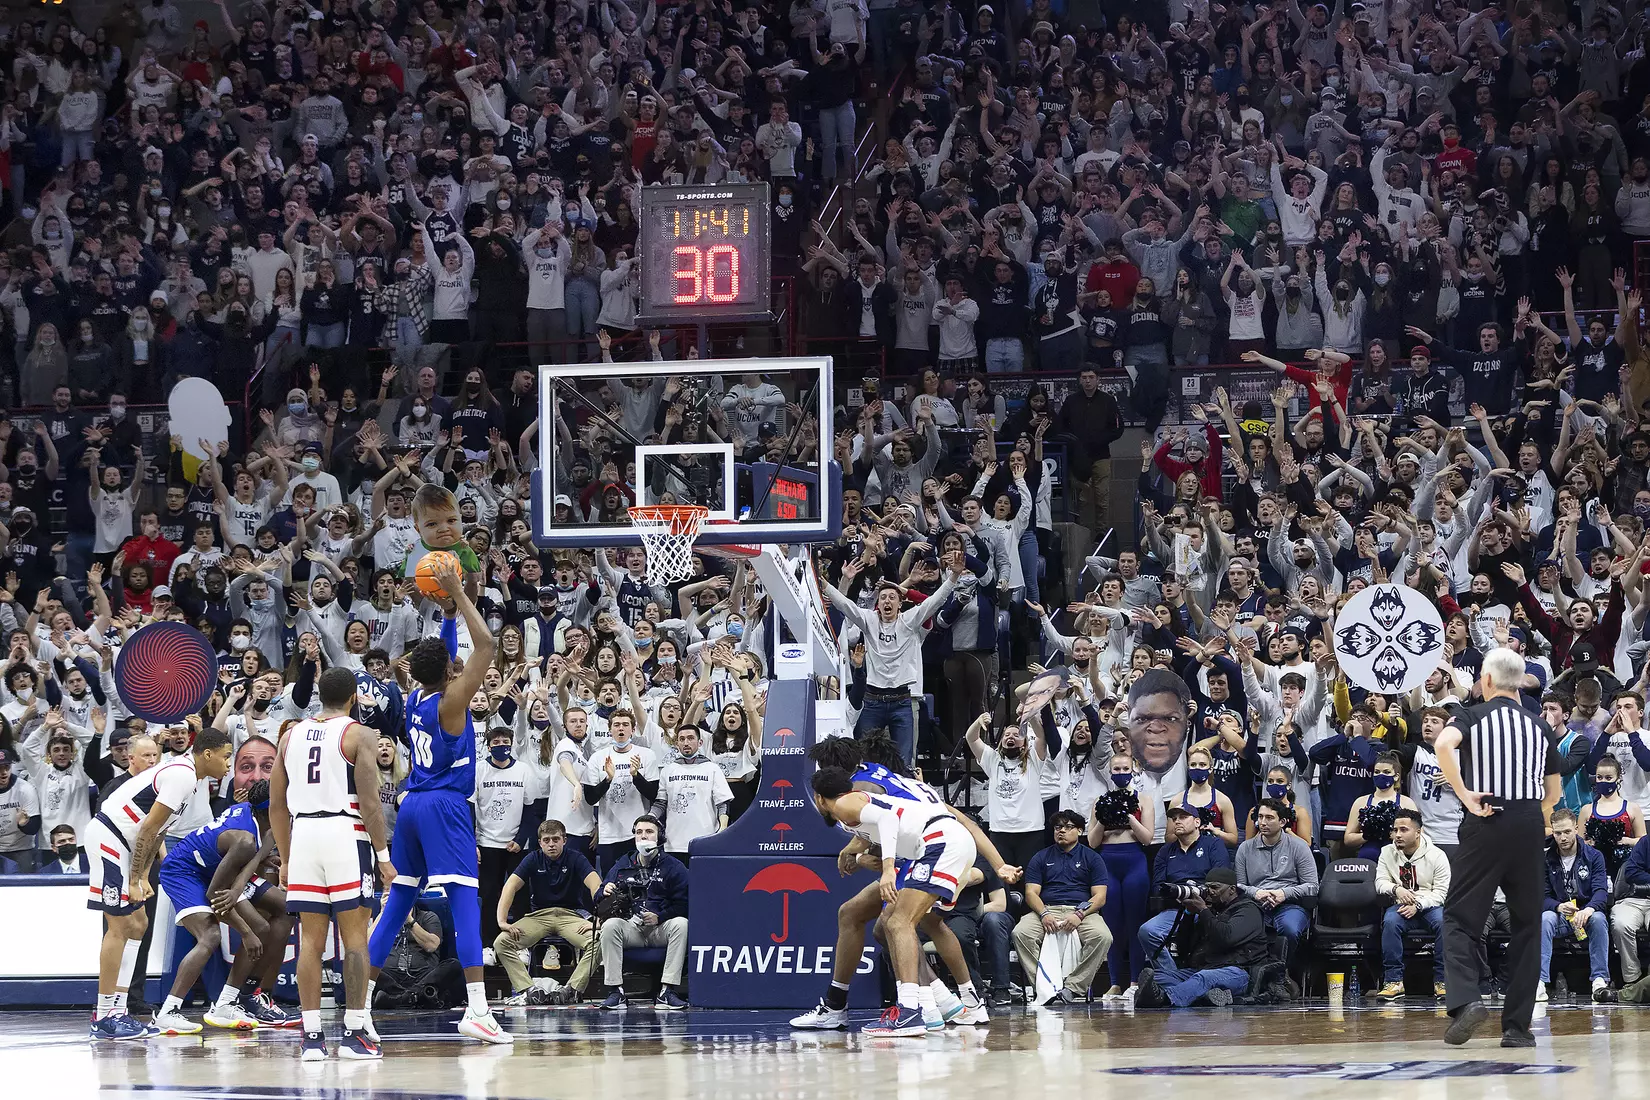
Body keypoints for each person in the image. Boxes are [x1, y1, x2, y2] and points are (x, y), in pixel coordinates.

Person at [364, 557, 512, 1045]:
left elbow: (445, 657)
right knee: (467, 903)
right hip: (445, 804)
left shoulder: (414, 697)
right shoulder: (451, 702)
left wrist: (447, 614)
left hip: (410, 807)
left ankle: (360, 1008)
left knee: (396, 904)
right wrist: (464, 595)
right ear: (451, 671)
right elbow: (487, 646)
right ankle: (477, 1009)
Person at [1437, 648, 1564, 1049]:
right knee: (1527, 925)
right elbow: (1554, 793)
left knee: (1460, 918)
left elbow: (1443, 744)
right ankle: (1517, 1029)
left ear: (1487, 681)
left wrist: (1466, 795)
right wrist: (1527, 814)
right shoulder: (1540, 726)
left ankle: (1467, 1000)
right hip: (1529, 825)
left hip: (1486, 818)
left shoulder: (1473, 714)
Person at [269, 667, 396, 1061]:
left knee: (311, 940)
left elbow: (276, 805)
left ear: (318, 696)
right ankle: (356, 1032)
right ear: (354, 697)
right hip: (345, 832)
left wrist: (287, 858)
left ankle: (311, 1039)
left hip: (304, 833)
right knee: (355, 939)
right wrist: (383, 856)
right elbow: (371, 801)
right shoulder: (359, 733)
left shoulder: (289, 736)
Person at [809, 764, 980, 1035]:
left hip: (938, 842)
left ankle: (913, 1011)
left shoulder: (844, 803)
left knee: (899, 922)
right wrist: (855, 855)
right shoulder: (862, 802)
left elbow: (887, 820)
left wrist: (888, 869)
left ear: (819, 797)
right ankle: (940, 1004)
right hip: (945, 843)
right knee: (899, 924)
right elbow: (881, 830)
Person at [86, 729, 234, 1041]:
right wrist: (136, 878)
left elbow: (159, 831)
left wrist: (140, 876)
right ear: (207, 754)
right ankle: (103, 1015)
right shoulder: (181, 774)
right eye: (226, 756)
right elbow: (148, 828)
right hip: (110, 838)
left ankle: (119, 1008)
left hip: (126, 842)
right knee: (119, 925)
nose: (228, 764)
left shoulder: (189, 779)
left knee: (139, 924)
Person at [153, 781, 297, 1033]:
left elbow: (248, 859)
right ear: (270, 810)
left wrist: (263, 855)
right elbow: (215, 895)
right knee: (212, 935)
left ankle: (246, 997)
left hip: (217, 869)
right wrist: (245, 932)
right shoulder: (245, 839)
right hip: (186, 872)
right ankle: (169, 1011)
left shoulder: (254, 818)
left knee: (287, 908)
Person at [494, 819, 603, 1006]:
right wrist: (502, 921)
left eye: (555, 839)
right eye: (546, 840)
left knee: (600, 940)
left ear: (564, 840)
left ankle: (572, 990)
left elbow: (596, 886)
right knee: (501, 943)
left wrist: (599, 919)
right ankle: (529, 990)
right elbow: (510, 886)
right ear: (540, 842)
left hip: (570, 915)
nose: (551, 844)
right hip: (539, 916)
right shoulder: (532, 858)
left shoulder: (576, 858)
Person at [1011, 809, 1113, 1004]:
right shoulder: (1041, 857)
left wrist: (1080, 914)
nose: (1061, 831)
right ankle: (1045, 988)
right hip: (1047, 907)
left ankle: (1073, 987)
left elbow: (1100, 897)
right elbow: (1031, 893)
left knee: (1102, 936)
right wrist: (1043, 913)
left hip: (1082, 910)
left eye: (1068, 827)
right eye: (1058, 827)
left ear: (1080, 831)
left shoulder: (1092, 857)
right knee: (1021, 933)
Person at [1134, 867, 1269, 1008]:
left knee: (1203, 978)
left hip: (1238, 972)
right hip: (1206, 968)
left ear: (1232, 889)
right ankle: (1205, 996)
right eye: (1207, 887)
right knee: (1159, 976)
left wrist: (1203, 910)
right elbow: (1183, 947)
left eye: (1215, 888)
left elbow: (1226, 938)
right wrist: (1189, 914)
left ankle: (1165, 999)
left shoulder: (1248, 910)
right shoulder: (1213, 910)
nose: (1210, 892)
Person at [596, 815, 690, 1011]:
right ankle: (616, 991)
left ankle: (667, 991)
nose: (643, 837)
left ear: (659, 837)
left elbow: (686, 903)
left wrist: (661, 916)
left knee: (682, 924)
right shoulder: (624, 862)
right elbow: (599, 895)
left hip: (660, 928)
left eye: (649, 832)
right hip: (632, 927)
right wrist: (604, 890)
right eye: (639, 832)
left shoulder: (673, 866)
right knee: (610, 926)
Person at [1374, 808, 1452, 1001]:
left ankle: (1443, 981)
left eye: (1403, 830)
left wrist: (1418, 904)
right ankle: (1394, 981)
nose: (1397, 835)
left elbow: (1442, 893)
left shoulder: (1437, 855)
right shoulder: (1386, 852)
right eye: (1395, 830)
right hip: (1401, 904)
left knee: (1445, 923)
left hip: (1430, 905)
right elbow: (1380, 882)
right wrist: (1395, 889)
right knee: (1390, 922)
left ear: (1418, 832)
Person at [1538, 808, 1612, 1003]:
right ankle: (1540, 982)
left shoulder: (1593, 856)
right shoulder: (1545, 858)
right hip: (1561, 915)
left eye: (1567, 832)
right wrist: (1557, 906)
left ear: (1577, 829)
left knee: (1598, 918)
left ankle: (1599, 980)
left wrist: (1589, 909)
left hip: (1585, 913)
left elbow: (1601, 892)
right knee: (1545, 918)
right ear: (1552, 832)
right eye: (1557, 833)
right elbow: (1541, 896)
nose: (1562, 837)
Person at [1233, 799, 1318, 962]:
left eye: (1269, 818)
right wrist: (1256, 892)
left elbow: (1313, 887)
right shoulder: (1245, 848)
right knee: (1243, 930)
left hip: (1290, 905)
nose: (1262, 822)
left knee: (1289, 929)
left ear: (1283, 822)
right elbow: (1238, 887)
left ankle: (1283, 973)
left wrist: (1283, 894)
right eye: (1260, 817)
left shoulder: (1299, 847)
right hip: (1255, 905)